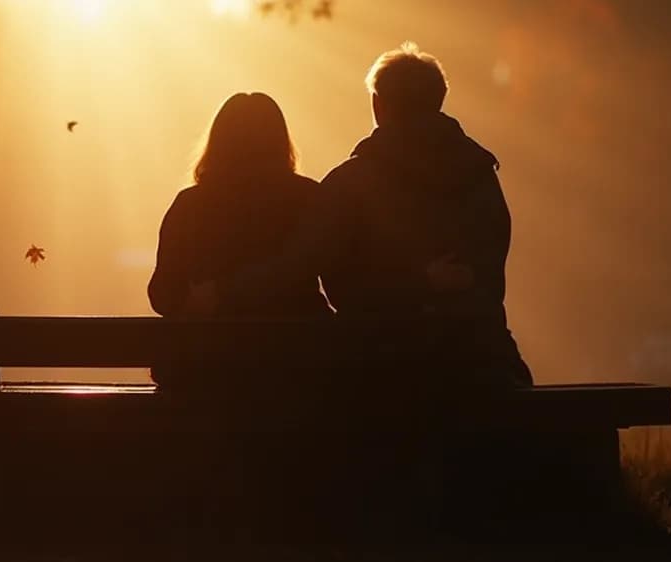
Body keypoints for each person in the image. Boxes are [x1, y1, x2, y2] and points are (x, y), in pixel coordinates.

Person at [187, 43, 533, 387]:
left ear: (378, 104)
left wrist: (224, 292)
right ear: (438, 100)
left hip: (383, 367)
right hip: (483, 362)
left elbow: (300, 263)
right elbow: (485, 268)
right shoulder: (480, 176)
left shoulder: (352, 182)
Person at [147, 92, 333, 386]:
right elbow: (331, 275)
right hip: (295, 363)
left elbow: (161, 293)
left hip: (208, 368)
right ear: (279, 141)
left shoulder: (191, 204)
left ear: (218, 143)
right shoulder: (309, 197)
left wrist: (204, 299)